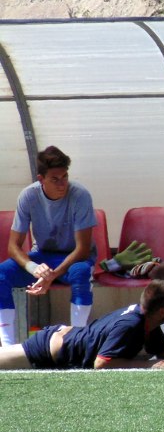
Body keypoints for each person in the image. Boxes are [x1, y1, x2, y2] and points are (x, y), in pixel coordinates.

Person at [0, 146, 97, 346]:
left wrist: (51, 275)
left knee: (81, 273)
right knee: (1, 274)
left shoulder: (80, 195)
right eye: (55, 179)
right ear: (40, 179)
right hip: (42, 257)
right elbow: (13, 247)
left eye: (65, 177)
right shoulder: (28, 196)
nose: (62, 184)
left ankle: (77, 342)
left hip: (73, 259)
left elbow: (83, 249)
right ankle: (8, 347)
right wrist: (34, 268)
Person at [0, 279, 164, 370]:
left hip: (62, 341)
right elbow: (101, 363)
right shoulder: (131, 325)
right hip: (47, 351)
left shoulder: (149, 322)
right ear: (162, 312)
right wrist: (149, 364)